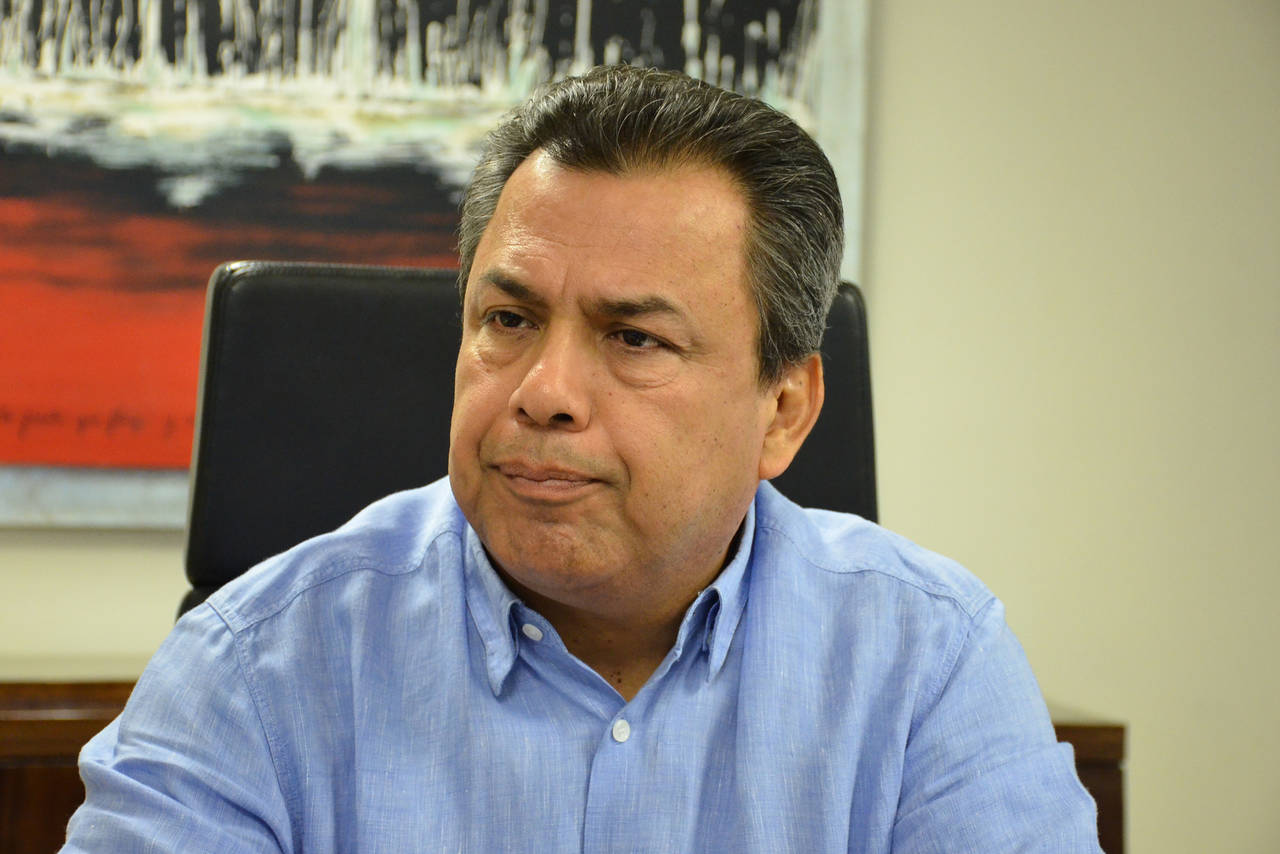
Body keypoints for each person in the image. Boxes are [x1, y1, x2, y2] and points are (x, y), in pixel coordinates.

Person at [62, 66, 1101, 852]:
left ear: (783, 410)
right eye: (508, 319)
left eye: (634, 337)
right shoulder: (254, 669)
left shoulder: (926, 663)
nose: (543, 391)